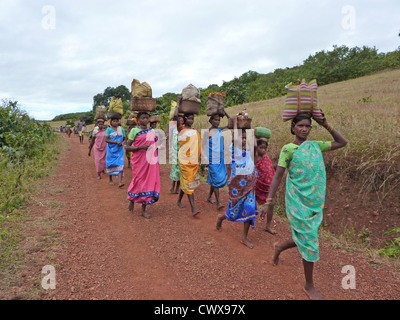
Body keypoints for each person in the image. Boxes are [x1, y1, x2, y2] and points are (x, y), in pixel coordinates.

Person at [260, 112, 348, 300]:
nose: (304, 129)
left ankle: (279, 247)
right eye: (300, 125)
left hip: (314, 202)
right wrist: (269, 201)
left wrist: (325, 124)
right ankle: (309, 286)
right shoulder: (288, 149)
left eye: (308, 126)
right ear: (293, 127)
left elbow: (342, 142)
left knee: (305, 235)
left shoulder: (316, 146)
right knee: (309, 239)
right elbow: (277, 176)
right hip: (297, 202)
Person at [216, 118, 258, 249]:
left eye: (246, 138)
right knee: (233, 211)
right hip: (237, 186)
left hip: (249, 186)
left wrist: (253, 134)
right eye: (242, 138)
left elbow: (255, 146)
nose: (244, 140)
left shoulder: (248, 149)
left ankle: (244, 238)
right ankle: (221, 218)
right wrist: (235, 123)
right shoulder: (233, 149)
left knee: (250, 209)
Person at [126, 112, 160, 219]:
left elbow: (155, 144)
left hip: (150, 161)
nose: (145, 120)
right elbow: (127, 147)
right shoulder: (134, 130)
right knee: (138, 180)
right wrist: (140, 147)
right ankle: (132, 198)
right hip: (138, 161)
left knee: (148, 182)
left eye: (146, 118)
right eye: (142, 118)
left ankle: (143, 210)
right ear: (138, 119)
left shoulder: (152, 131)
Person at [177, 113, 201, 216]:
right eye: (190, 118)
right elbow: (175, 118)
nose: (191, 121)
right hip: (184, 161)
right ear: (184, 119)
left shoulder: (195, 131)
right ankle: (193, 208)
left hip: (194, 161)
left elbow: (198, 146)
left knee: (187, 182)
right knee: (189, 182)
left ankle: (178, 200)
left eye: (193, 118)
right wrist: (178, 106)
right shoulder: (181, 129)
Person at [204, 113, 230, 210]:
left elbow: (230, 124)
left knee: (214, 178)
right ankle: (218, 202)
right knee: (216, 178)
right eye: (215, 120)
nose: (217, 122)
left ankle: (209, 197)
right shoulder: (208, 132)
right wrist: (204, 159)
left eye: (218, 120)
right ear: (210, 121)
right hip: (211, 159)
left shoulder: (219, 130)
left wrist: (225, 112)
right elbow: (203, 146)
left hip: (220, 158)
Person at [253, 133, 276, 234]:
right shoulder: (255, 155)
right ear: (257, 147)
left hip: (268, 186)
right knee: (251, 204)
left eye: (265, 148)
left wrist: (265, 139)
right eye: (261, 147)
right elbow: (253, 145)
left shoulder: (265, 156)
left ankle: (268, 226)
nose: (263, 150)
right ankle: (246, 220)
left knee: (271, 204)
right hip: (257, 185)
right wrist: (254, 134)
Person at [105, 117, 126, 188]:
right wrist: (115, 142)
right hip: (111, 150)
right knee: (110, 164)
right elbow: (106, 140)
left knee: (120, 164)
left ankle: (120, 182)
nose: (115, 122)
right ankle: (110, 179)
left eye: (117, 121)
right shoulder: (109, 129)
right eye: (114, 121)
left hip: (119, 150)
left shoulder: (121, 129)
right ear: (111, 122)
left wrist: (122, 143)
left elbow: (124, 139)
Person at [169, 114, 183, 194]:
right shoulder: (173, 130)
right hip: (175, 153)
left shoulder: (183, 130)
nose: (180, 122)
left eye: (181, 120)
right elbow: (172, 141)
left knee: (180, 170)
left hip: (181, 153)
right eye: (179, 120)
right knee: (175, 169)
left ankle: (177, 187)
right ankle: (173, 184)